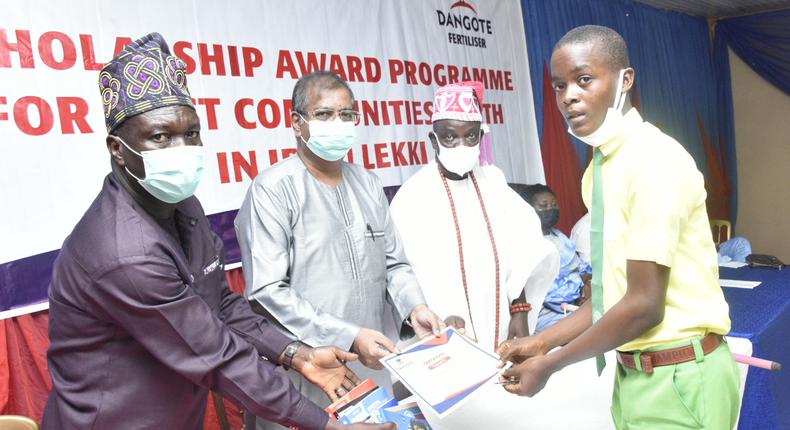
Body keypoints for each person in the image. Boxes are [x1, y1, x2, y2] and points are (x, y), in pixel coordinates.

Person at [43, 33, 392, 430]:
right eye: (160, 137)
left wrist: (297, 354)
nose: (182, 148)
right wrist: (325, 425)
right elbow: (216, 354)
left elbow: (222, 305)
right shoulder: (126, 252)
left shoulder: (181, 204)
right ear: (118, 149)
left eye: (191, 133)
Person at [498, 25, 740, 429]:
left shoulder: (654, 160)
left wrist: (551, 364)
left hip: (680, 374)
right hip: (633, 373)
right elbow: (611, 297)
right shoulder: (600, 168)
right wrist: (541, 340)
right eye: (559, 86)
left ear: (625, 80)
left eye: (584, 79)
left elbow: (643, 306)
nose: (568, 96)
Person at [235, 71, 442, 429]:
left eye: (347, 115)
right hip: (305, 367)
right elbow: (267, 290)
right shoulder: (272, 190)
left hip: (370, 361)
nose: (338, 123)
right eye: (325, 114)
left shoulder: (369, 183)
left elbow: (394, 264)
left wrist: (414, 306)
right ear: (297, 123)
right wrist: (347, 335)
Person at [389, 81, 558, 350]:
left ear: (481, 137)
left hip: (500, 320)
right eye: (449, 137)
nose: (461, 144)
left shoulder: (494, 181)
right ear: (434, 141)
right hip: (442, 329)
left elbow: (523, 249)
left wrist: (520, 309)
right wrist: (433, 316)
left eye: (470, 136)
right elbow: (400, 272)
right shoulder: (412, 197)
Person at [512, 184, 591, 333]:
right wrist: (577, 291)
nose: (550, 209)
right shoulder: (524, 243)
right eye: (543, 205)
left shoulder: (559, 237)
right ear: (528, 210)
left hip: (574, 306)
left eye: (554, 205)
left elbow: (582, 269)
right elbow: (542, 288)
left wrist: (587, 284)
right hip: (545, 311)